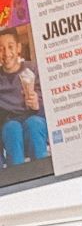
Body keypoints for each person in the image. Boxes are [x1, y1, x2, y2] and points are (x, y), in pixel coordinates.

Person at [0, 27, 47, 166]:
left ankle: (41, 172)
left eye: (10, 47)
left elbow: (51, 104)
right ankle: (18, 176)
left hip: (35, 119)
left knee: (34, 124)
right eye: (1, 49)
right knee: (12, 129)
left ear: (19, 48)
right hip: (9, 124)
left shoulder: (32, 69)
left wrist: (37, 103)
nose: (6, 53)